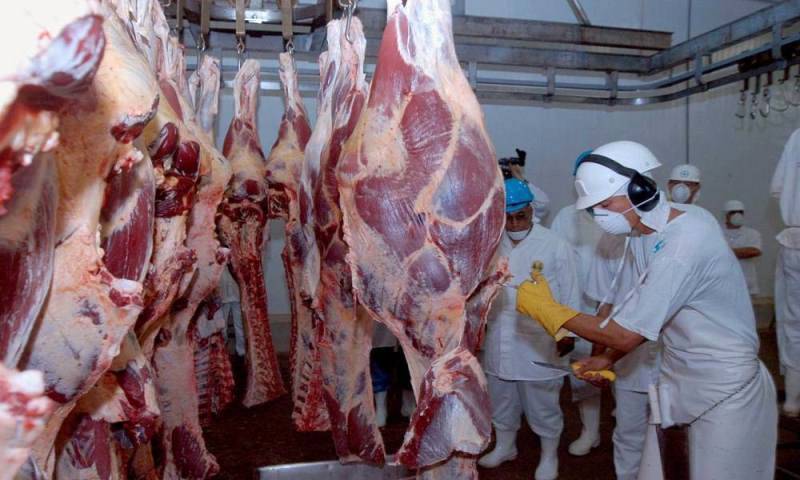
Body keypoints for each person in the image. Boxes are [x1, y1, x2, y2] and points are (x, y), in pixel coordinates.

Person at [516, 141, 777, 479]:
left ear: (640, 190)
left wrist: (548, 310)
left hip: (725, 385)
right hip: (677, 376)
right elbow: (636, 313)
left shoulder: (683, 244)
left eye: (605, 204)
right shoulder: (641, 234)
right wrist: (608, 359)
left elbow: (625, 334)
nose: (600, 216)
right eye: (594, 209)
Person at [479, 178, 581, 480]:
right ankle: (505, 445)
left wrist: (568, 333)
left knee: (542, 403)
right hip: (500, 334)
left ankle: (549, 455)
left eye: (520, 216)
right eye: (508, 217)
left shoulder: (555, 245)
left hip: (540, 339)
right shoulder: (491, 243)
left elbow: (571, 293)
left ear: (531, 211)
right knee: (501, 397)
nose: (513, 224)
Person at [586, 232, 660, 480]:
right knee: (629, 431)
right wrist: (596, 356)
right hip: (628, 360)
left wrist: (607, 357)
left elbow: (659, 315)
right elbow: (604, 306)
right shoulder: (610, 240)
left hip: (673, 358)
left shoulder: (677, 237)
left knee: (674, 433)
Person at [550, 151, 605, 457]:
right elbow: (557, 267)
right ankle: (590, 431)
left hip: (621, 311)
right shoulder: (565, 217)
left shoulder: (620, 214)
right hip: (581, 310)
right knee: (585, 375)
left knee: (629, 377)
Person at [772, 129, 800, 417]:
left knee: (794, 323)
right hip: (795, 242)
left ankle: (793, 400)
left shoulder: (796, 137)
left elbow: (778, 189)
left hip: (795, 242)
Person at [722, 200, 762, 296]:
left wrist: (724, 252)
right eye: (733, 212)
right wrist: (741, 251)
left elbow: (754, 251)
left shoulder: (752, 233)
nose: (737, 215)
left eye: (740, 212)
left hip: (746, 281)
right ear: (726, 215)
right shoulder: (717, 232)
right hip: (723, 283)